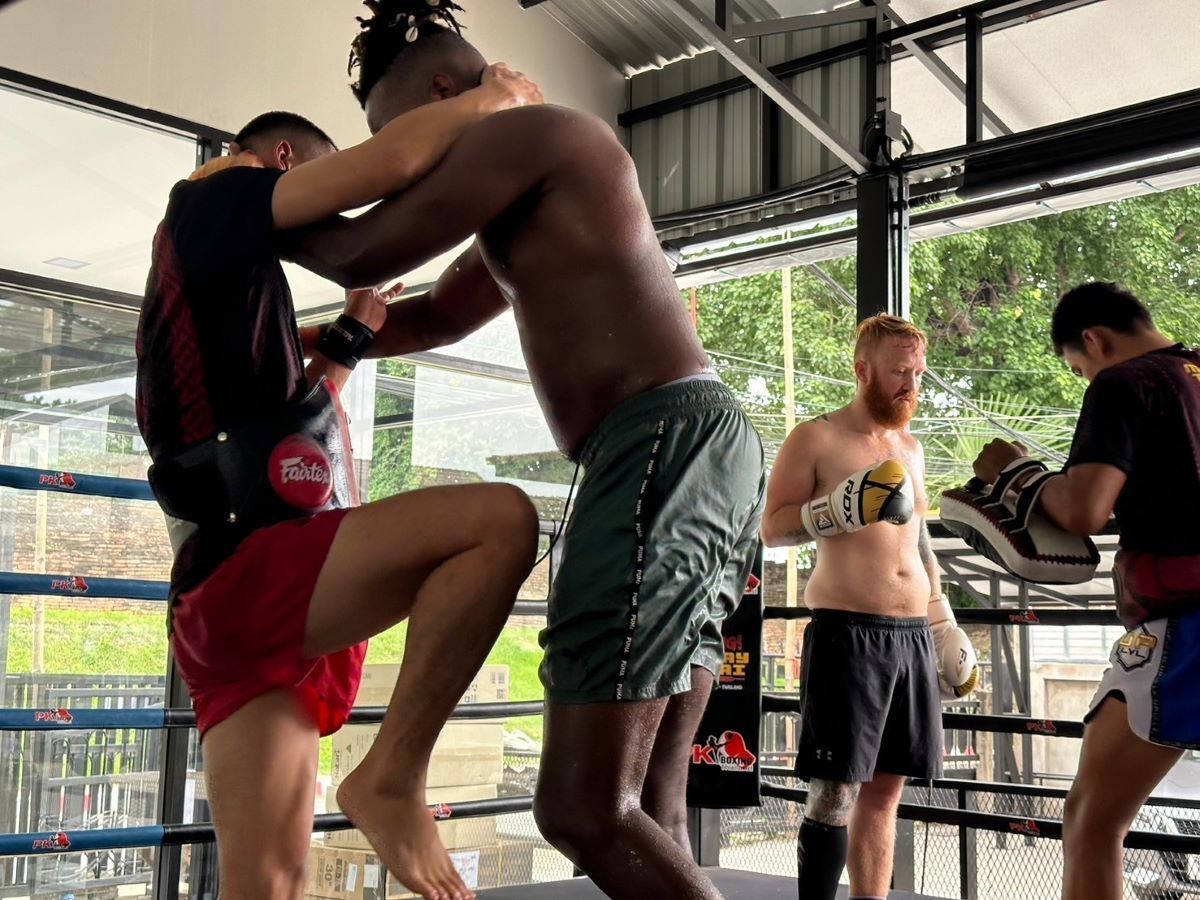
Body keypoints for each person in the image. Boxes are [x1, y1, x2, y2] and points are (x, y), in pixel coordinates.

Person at [282, 1, 766, 896]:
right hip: (689, 451)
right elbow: (434, 313)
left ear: (441, 94)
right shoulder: (528, 179)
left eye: (397, 138)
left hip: (661, 446)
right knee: (647, 802)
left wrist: (242, 201)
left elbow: (362, 247)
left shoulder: (535, 132)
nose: (403, 164)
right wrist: (334, 343)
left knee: (583, 809)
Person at [137, 65, 544, 900]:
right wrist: (490, 99)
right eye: (322, 184)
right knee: (498, 523)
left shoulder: (229, 289)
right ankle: (393, 775)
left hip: (238, 595)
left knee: (267, 886)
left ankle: (387, 778)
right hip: (258, 569)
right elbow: (389, 164)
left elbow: (287, 425)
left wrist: (354, 333)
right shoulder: (215, 199)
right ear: (287, 161)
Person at [971, 282, 1200, 900]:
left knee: (1091, 819)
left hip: (1185, 627)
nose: (1083, 379)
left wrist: (1013, 476)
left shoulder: (1127, 382)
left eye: (1079, 368)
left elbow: (1085, 508)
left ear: (1096, 340)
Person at [760, 314, 978, 900]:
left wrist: (942, 618)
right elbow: (771, 528)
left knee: (887, 792)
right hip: (847, 633)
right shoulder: (817, 437)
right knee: (834, 793)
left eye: (918, 373)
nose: (912, 386)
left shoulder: (911, 446)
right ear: (863, 372)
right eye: (899, 373)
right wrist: (834, 509)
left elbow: (918, 539)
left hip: (910, 634)